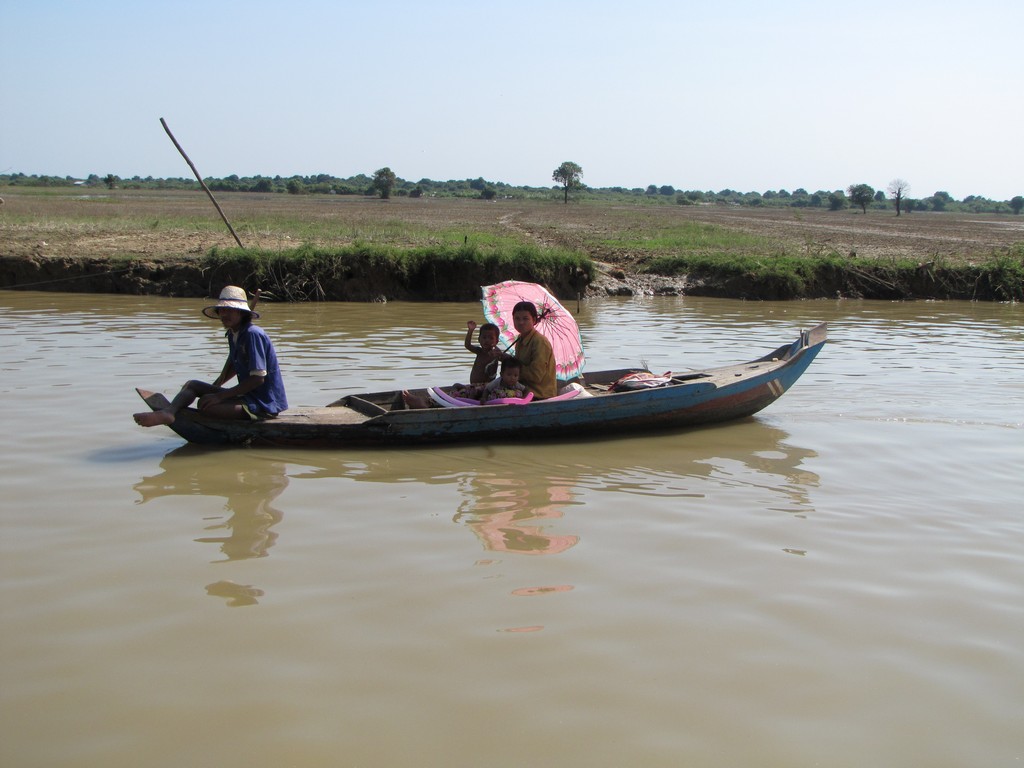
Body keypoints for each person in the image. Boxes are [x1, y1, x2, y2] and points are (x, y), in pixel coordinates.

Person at [133, 286, 288, 427]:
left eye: (230, 310)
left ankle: (183, 413)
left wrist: (220, 397)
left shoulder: (252, 335)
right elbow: (235, 364)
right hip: (246, 396)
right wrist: (216, 387)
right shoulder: (233, 334)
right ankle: (169, 413)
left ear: (241, 313)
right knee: (192, 385)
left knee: (206, 406)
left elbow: (258, 378)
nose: (224, 315)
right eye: (221, 310)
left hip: (263, 404)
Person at [498, 301, 556, 399]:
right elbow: (518, 366)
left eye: (525, 319)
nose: (521, 322)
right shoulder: (520, 339)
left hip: (538, 394)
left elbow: (536, 376)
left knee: (495, 395)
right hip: (521, 389)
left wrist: (509, 362)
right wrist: (505, 359)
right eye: (517, 319)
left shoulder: (540, 342)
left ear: (534, 320)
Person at [464, 320, 501, 384]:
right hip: (473, 385)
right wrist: (470, 331)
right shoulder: (479, 351)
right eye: (484, 337)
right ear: (479, 339)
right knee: (456, 386)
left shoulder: (495, 355)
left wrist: (499, 355)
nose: (487, 340)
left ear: (496, 341)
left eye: (491, 338)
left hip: (486, 387)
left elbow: (492, 375)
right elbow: (467, 345)